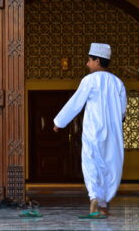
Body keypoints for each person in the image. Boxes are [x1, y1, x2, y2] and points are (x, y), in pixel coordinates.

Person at [53, 43, 127, 219]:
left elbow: (76, 103)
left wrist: (59, 122)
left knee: (91, 162)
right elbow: (123, 112)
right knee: (111, 164)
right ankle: (104, 203)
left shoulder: (89, 81)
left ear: (97, 61)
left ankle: (94, 196)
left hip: (94, 129)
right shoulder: (118, 82)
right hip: (113, 132)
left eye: (89, 60)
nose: (87, 64)